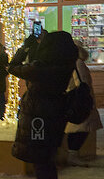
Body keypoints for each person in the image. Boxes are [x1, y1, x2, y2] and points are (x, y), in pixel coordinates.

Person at [8, 30, 79, 179]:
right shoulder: (66, 64)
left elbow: (12, 67)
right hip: (56, 113)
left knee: (40, 161)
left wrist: (26, 47)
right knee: (47, 158)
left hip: (38, 115)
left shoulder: (41, 68)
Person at [66, 43, 102, 164]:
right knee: (82, 127)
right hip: (81, 99)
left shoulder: (69, 62)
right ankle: (73, 154)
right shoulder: (78, 63)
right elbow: (82, 81)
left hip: (76, 97)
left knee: (77, 128)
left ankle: (72, 153)